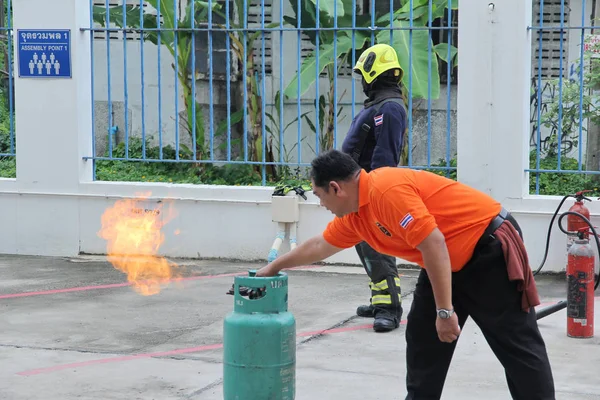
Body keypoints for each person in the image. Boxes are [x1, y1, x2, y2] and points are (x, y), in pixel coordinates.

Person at [256, 150, 556, 400]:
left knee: (517, 346)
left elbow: (432, 241)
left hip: (487, 250)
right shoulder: (355, 216)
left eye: (320, 196)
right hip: (444, 261)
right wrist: (274, 266)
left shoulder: (385, 190)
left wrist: (444, 310)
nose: (322, 205)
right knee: (424, 338)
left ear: (336, 188)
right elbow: (320, 246)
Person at [341, 43, 408, 333]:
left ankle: (389, 309)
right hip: (359, 187)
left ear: (373, 74)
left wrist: (374, 190)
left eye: (363, 76)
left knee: (376, 246)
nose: (362, 82)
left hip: (370, 189)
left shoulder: (390, 107)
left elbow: (385, 156)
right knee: (367, 246)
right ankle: (381, 298)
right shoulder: (381, 105)